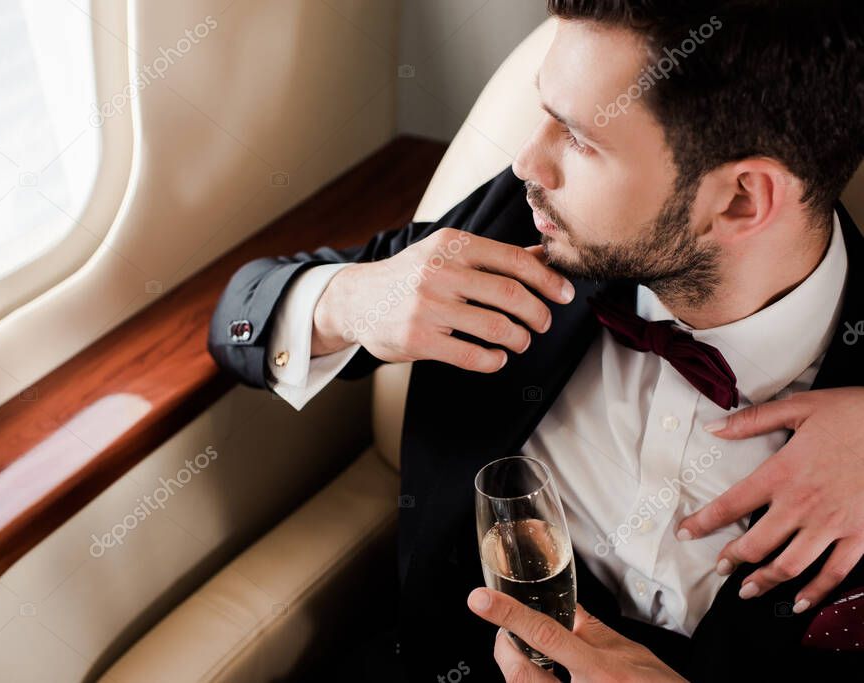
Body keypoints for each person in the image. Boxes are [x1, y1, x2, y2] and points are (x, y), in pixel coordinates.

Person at [207, 1, 864, 679]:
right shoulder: (526, 227)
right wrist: (349, 299)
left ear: (740, 200)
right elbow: (239, 316)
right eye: (543, 114)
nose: (527, 161)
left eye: (579, 139)